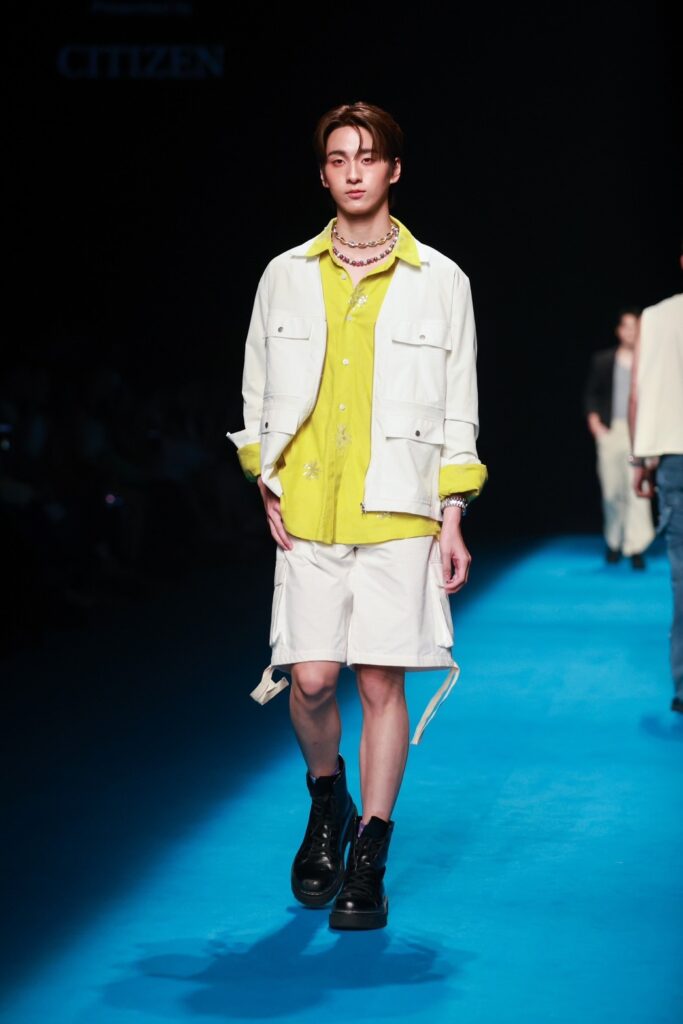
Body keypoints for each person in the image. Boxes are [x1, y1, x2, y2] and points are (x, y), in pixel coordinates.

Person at [226, 101, 487, 929]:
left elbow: (458, 406)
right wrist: (263, 477)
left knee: (378, 679)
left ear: (392, 170)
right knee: (309, 679)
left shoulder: (440, 280)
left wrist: (451, 512)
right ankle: (326, 797)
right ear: (322, 173)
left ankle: (368, 857)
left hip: (400, 506)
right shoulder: (284, 273)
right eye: (337, 158)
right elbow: (258, 386)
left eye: (366, 157)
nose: (351, 171)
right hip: (307, 504)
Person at [629, 246, 683, 714]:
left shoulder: (656, 317)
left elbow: (639, 393)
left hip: (672, 456)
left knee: (682, 575)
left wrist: (639, 460)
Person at [584, 308, 655, 568]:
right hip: (612, 430)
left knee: (637, 489)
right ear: (619, 330)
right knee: (612, 490)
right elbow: (592, 393)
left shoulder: (649, 362)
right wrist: (595, 423)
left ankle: (636, 546)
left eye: (635, 327)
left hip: (640, 433)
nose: (631, 332)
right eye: (626, 326)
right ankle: (614, 541)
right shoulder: (604, 360)